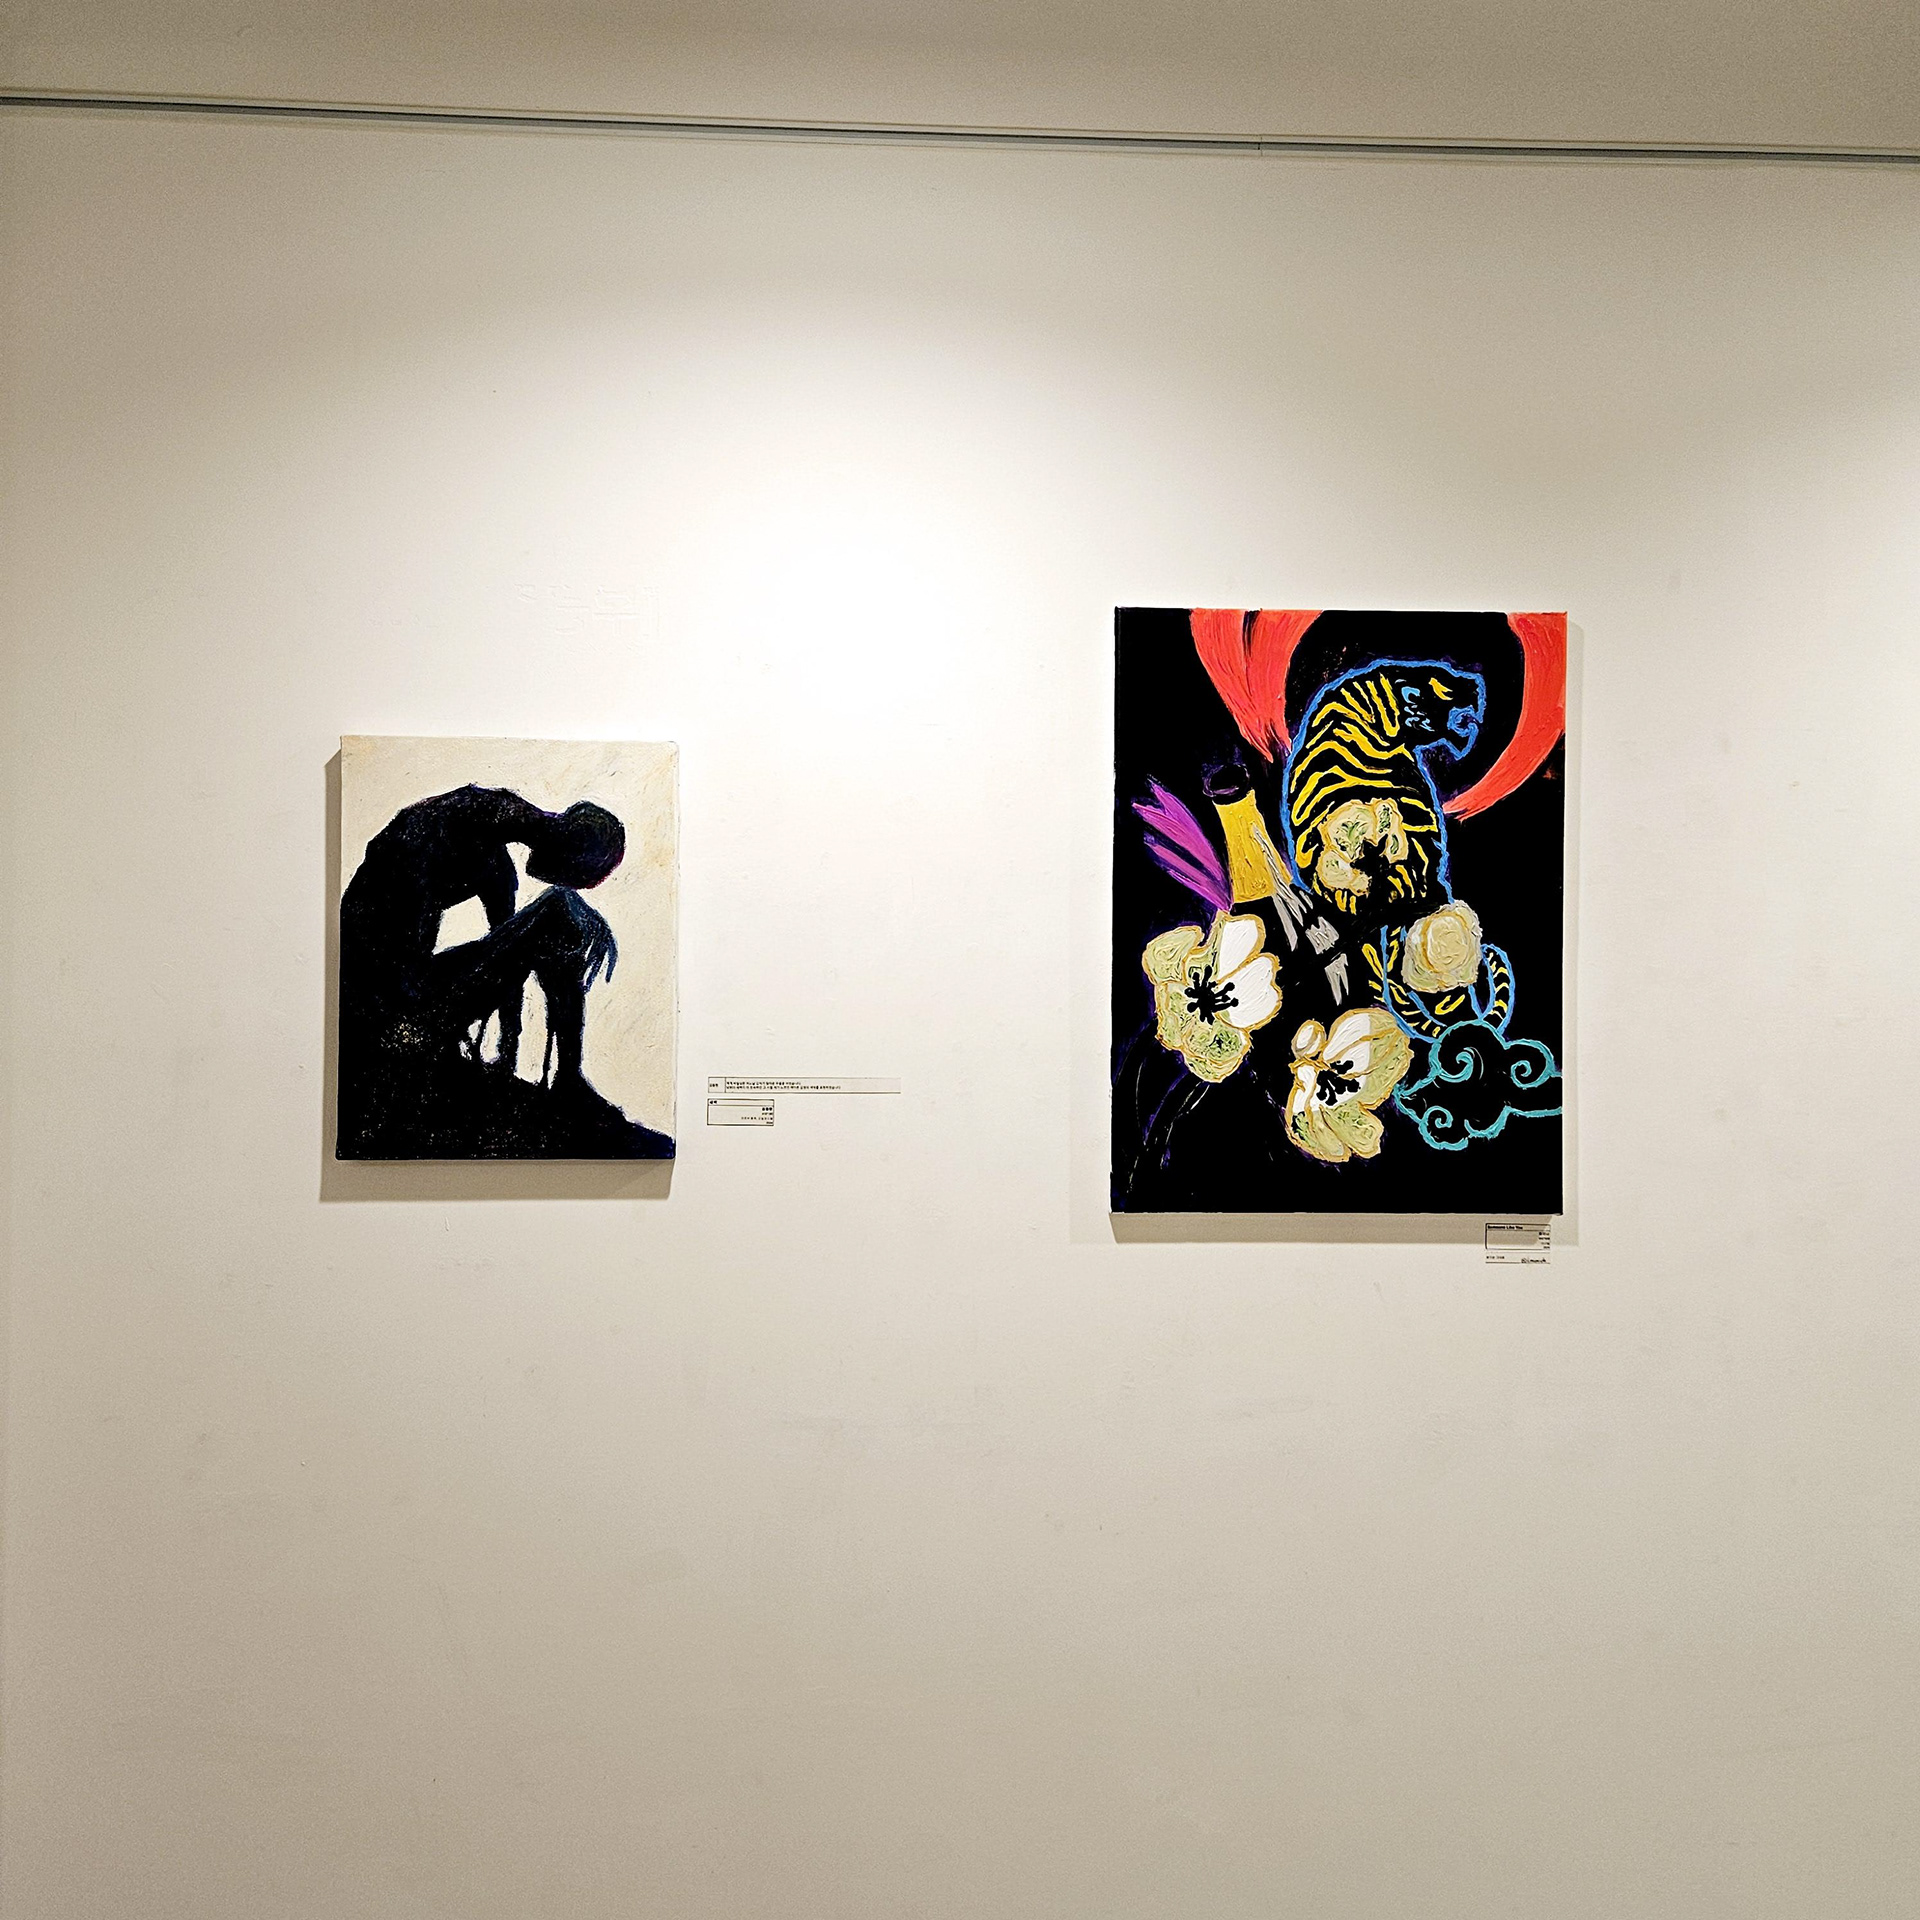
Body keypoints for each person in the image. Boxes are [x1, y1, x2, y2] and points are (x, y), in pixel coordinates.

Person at [339, 786, 637, 1154]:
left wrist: (506, 1055)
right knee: (559, 912)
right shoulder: (469, 815)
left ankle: (568, 1079)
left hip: (407, 997)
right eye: (578, 875)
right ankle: (569, 1081)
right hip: (383, 1007)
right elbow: (386, 951)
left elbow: (507, 963)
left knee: (558, 916)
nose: (562, 882)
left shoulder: (497, 863)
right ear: (573, 850)